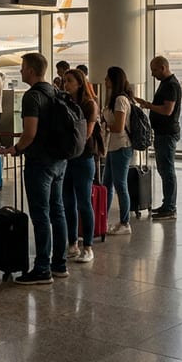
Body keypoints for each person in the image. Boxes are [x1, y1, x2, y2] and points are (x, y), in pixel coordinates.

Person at [3, 52, 68, 285]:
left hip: (40, 163)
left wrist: (16, 148)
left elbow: (30, 133)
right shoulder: (54, 91)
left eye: (22, 68)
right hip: (59, 161)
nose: (20, 71)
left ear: (30, 70)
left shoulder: (32, 97)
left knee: (40, 216)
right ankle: (59, 263)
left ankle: (42, 268)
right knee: (57, 211)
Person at [134, 56, 181, 221]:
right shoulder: (167, 84)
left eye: (154, 70)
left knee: (167, 171)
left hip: (167, 134)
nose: (152, 74)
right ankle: (167, 204)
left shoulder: (170, 85)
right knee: (164, 169)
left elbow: (168, 110)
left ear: (163, 67)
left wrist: (148, 105)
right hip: (162, 133)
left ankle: (170, 207)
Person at [61, 69, 100, 263]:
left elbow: (86, 133)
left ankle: (88, 246)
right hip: (67, 158)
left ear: (79, 83)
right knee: (68, 202)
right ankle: (72, 242)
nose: (65, 85)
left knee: (84, 202)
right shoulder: (65, 102)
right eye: (64, 81)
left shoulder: (89, 105)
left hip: (83, 157)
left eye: (69, 81)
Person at [102, 66, 134, 235]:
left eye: (107, 78)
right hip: (113, 147)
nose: (105, 81)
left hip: (122, 146)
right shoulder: (114, 99)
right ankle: (103, 219)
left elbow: (119, 127)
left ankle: (125, 222)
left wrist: (106, 126)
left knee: (120, 185)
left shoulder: (120, 100)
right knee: (106, 184)